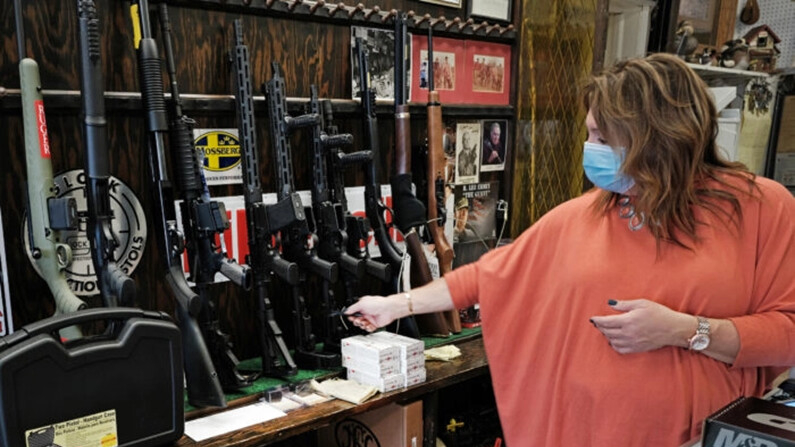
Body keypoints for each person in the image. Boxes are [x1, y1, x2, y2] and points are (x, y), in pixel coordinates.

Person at [347, 53, 795, 446]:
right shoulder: (586, 214)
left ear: (657, 135)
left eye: (603, 137)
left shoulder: (761, 208)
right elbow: (486, 276)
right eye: (590, 134)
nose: (590, 150)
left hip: (695, 435)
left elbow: (788, 332)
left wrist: (684, 331)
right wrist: (395, 304)